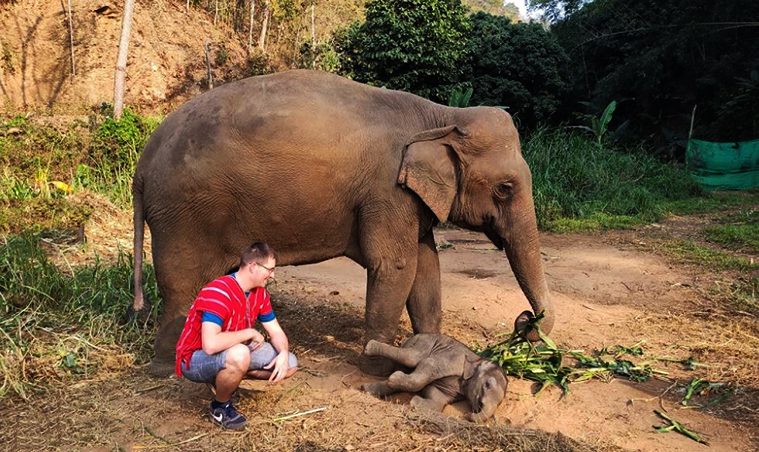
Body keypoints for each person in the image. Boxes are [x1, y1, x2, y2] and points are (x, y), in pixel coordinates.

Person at [175, 242, 297, 430]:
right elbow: (210, 344)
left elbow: (276, 331)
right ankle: (220, 406)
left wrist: (282, 354)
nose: (273, 275)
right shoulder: (219, 292)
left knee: (290, 364)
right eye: (270, 269)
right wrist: (249, 332)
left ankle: (228, 380)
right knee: (239, 354)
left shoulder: (260, 293)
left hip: (231, 350)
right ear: (253, 266)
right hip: (195, 358)